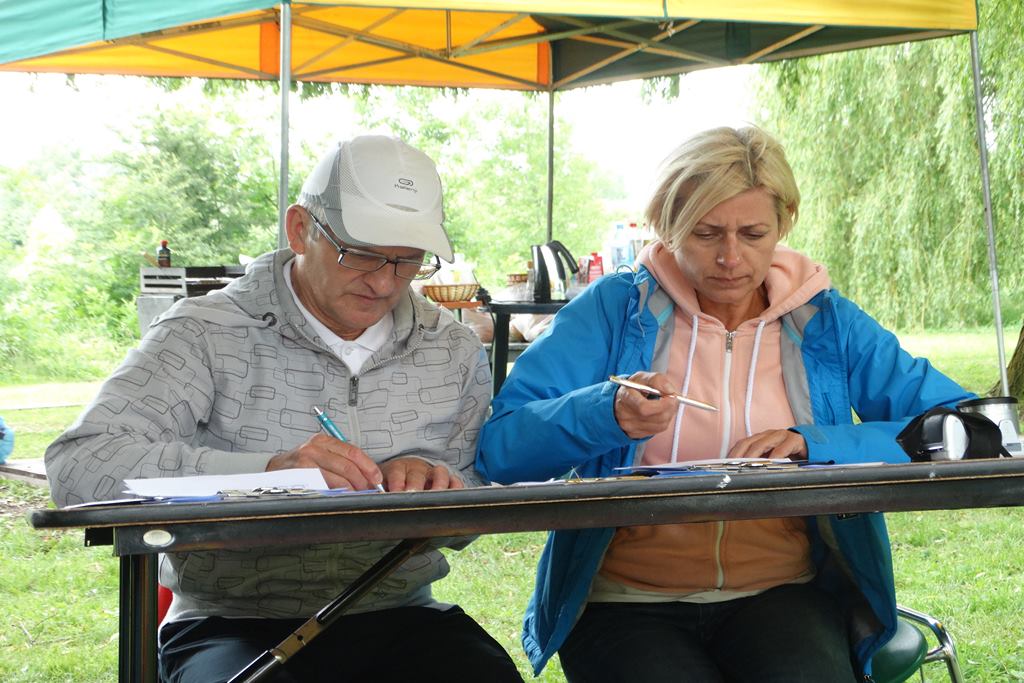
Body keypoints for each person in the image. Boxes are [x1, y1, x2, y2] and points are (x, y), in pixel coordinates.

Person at [476, 126, 974, 682]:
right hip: (624, 601)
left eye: (754, 233)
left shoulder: (824, 322)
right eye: (706, 233)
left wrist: (816, 445)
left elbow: (965, 425)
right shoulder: (614, 311)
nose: (731, 258)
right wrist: (606, 412)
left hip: (783, 590)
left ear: (784, 222)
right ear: (667, 226)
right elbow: (502, 449)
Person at [45, 135, 522, 683]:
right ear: (300, 229)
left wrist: (438, 484)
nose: (384, 281)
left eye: (408, 260)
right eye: (360, 253)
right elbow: (79, 466)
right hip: (228, 619)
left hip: (399, 610)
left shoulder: (451, 347)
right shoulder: (204, 332)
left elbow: (468, 501)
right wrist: (269, 474)